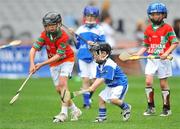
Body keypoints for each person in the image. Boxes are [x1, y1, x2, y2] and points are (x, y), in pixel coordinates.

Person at [29, 12, 82, 123]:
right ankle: (75, 109)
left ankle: (63, 114)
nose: (50, 27)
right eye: (48, 25)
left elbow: (58, 56)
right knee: (60, 90)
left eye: (53, 24)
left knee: (63, 84)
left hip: (67, 60)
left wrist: (41, 64)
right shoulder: (44, 35)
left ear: (59, 24)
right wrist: (32, 64)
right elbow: (33, 49)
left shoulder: (63, 36)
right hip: (53, 63)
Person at [133, 2, 179, 116]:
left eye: (158, 14)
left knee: (163, 84)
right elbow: (145, 45)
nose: (156, 16)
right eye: (153, 14)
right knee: (148, 81)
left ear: (164, 15)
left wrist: (166, 53)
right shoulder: (148, 29)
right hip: (151, 59)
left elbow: (175, 43)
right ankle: (151, 107)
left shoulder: (168, 28)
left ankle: (166, 108)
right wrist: (137, 54)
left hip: (164, 60)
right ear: (150, 15)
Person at [86, 43, 131, 122]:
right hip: (111, 85)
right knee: (101, 98)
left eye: (96, 54)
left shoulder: (109, 64)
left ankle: (126, 107)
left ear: (104, 54)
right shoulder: (99, 65)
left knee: (113, 100)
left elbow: (103, 78)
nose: (94, 56)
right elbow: (99, 77)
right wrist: (92, 86)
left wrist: (93, 87)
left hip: (120, 84)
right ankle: (102, 118)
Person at [75, 6, 106, 109]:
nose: (90, 18)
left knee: (94, 81)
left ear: (96, 17)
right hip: (83, 57)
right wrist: (73, 35)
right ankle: (86, 103)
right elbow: (77, 45)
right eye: (88, 16)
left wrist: (95, 44)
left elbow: (103, 44)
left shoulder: (100, 29)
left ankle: (88, 97)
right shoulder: (80, 29)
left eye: (92, 16)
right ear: (85, 16)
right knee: (85, 80)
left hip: (94, 57)